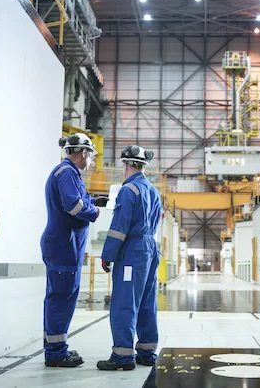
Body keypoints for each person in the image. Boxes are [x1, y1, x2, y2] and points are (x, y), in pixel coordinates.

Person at [97, 145, 162, 371]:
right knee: (146, 301)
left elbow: (119, 228)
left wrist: (107, 255)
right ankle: (147, 352)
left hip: (132, 252)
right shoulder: (153, 191)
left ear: (125, 165)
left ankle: (122, 356)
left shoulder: (128, 190)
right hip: (150, 249)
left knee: (125, 303)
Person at [41, 133, 103, 368]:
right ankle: (56, 353)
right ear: (84, 153)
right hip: (64, 246)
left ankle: (56, 348)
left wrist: (93, 201)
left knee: (58, 297)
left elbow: (79, 200)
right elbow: (74, 206)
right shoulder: (67, 173)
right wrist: (94, 212)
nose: (92, 162)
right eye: (91, 156)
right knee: (61, 299)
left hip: (64, 246)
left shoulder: (67, 173)